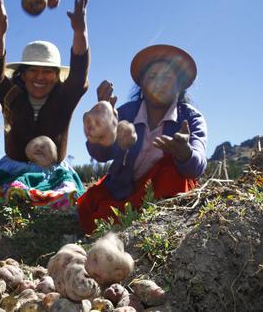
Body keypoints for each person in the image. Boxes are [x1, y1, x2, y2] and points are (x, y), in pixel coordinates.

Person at [0, 0, 92, 216]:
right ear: (22, 74)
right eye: (32, 71)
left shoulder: (64, 97)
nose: (39, 77)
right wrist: (1, 27)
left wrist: (80, 31)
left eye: (47, 72)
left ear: (56, 77)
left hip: (53, 173)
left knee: (62, 206)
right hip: (11, 171)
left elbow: (78, 75)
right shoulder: (11, 94)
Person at [77, 44, 207, 234]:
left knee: (171, 170)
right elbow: (102, 155)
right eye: (152, 77)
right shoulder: (127, 112)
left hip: (163, 194)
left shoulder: (191, 118)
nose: (158, 84)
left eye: (166, 77)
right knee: (89, 207)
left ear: (180, 85)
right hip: (123, 191)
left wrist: (184, 152)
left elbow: (197, 166)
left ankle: (159, 228)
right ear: (142, 85)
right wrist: (101, 127)